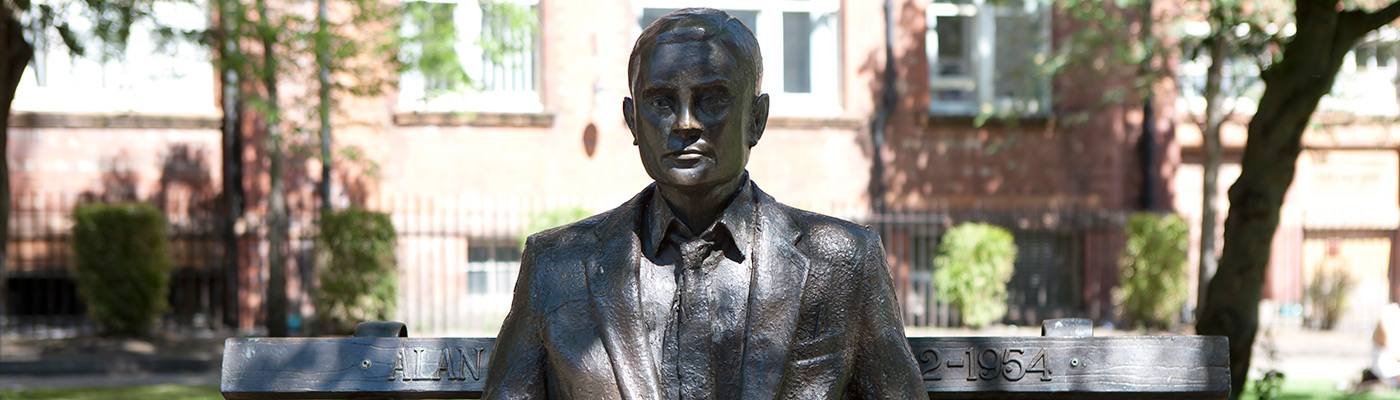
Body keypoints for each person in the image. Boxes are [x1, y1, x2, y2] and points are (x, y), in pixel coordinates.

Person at [482, 7, 925, 399]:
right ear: (633, 121)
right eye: (661, 102)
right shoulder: (556, 267)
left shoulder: (842, 262)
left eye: (711, 99)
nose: (686, 123)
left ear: (756, 119)